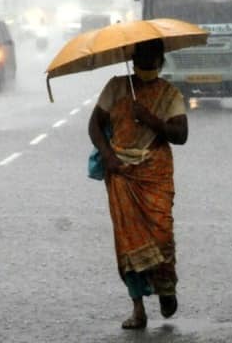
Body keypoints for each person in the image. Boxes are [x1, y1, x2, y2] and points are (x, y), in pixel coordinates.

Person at [88, 38, 188, 330]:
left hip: (155, 175)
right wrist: (109, 158)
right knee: (127, 244)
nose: (147, 64)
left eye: (152, 58)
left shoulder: (169, 95)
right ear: (133, 60)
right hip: (121, 174)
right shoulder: (116, 88)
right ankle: (138, 309)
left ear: (160, 61)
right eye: (141, 58)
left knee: (161, 234)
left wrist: (150, 119)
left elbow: (181, 135)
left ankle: (166, 288)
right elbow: (94, 125)